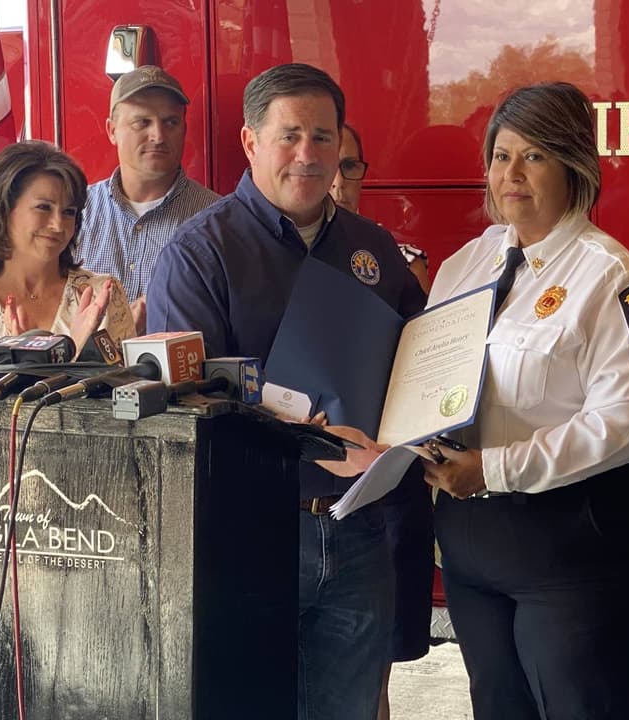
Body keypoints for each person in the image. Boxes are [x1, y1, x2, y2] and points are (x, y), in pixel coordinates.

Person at [145, 63, 427, 720]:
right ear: (250, 142)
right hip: (250, 536)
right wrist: (304, 436)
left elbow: (418, 362)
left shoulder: (373, 247)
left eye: (323, 137)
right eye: (290, 135)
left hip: (359, 530)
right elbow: (186, 406)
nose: (308, 154)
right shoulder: (199, 254)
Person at [420, 82, 629, 720]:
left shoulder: (611, 277)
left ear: (573, 167)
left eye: (534, 156)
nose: (511, 174)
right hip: (473, 543)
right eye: (501, 155)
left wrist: (495, 468)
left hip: (577, 546)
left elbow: (628, 423)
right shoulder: (466, 265)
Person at [327, 121, 434, 720]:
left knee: (374, 676)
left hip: (385, 485)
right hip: (306, 489)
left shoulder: (397, 262)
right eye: (330, 164)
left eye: (350, 166)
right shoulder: (266, 257)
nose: (337, 180)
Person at [76, 65, 219, 335]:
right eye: (142, 122)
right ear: (112, 130)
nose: (158, 136)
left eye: (170, 122)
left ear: (184, 129)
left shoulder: (217, 219)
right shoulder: (75, 214)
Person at [0, 140, 135, 350]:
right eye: (44, 207)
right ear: (4, 210)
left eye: (68, 212)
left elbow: (127, 372)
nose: (58, 225)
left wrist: (79, 351)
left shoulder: (103, 294)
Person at [330, 122, 432, 295]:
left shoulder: (403, 262)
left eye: (350, 166)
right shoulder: (287, 257)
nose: (339, 183)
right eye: (328, 165)